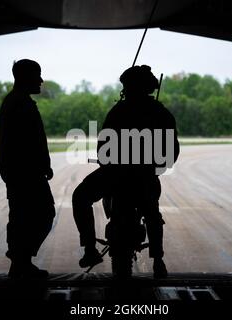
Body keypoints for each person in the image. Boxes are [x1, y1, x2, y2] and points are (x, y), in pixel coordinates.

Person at [72, 65, 179, 278]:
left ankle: (90, 249)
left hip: (115, 175)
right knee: (152, 213)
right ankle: (158, 260)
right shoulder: (161, 112)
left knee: (80, 197)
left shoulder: (119, 110)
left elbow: (103, 148)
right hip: (145, 176)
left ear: (128, 87)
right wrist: (154, 169)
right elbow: (172, 151)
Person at [0, 59, 55, 279]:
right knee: (41, 214)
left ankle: (20, 263)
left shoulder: (15, 101)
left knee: (22, 217)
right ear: (24, 77)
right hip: (25, 173)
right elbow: (29, 142)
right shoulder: (20, 104)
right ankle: (21, 262)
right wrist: (42, 165)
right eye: (37, 75)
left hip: (19, 172)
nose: (40, 80)